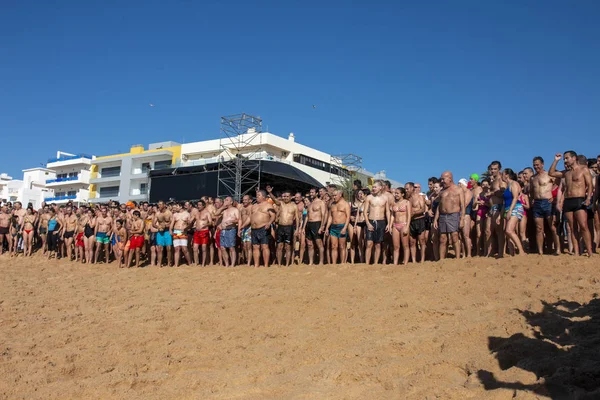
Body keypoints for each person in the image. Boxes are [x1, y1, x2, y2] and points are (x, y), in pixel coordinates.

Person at [549, 151, 594, 256]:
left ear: (574, 158)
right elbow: (551, 173)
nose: (565, 160)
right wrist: (556, 160)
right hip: (568, 201)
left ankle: (590, 251)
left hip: (579, 199)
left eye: (567, 158)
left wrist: (588, 198)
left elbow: (590, 185)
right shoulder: (566, 173)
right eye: (564, 158)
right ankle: (576, 251)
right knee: (572, 227)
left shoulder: (583, 170)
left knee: (583, 226)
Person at [530, 156, 561, 255]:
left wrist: (555, 198)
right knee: (539, 228)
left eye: (537, 165)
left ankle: (558, 249)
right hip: (537, 203)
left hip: (547, 202)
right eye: (534, 165)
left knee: (552, 226)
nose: (536, 167)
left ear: (542, 164)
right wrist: (532, 200)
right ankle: (540, 251)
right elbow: (531, 191)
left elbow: (560, 185)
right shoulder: (533, 178)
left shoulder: (549, 175)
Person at [433, 171, 465, 260]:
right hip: (443, 216)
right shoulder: (442, 191)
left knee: (455, 236)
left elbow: (462, 205)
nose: (442, 181)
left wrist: (462, 219)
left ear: (450, 178)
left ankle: (457, 258)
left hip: (454, 215)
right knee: (442, 238)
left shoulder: (458, 189)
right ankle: (442, 259)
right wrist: (435, 219)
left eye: (443, 179)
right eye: (441, 179)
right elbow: (439, 206)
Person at [267, 188, 300, 267]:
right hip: (281, 227)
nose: (285, 198)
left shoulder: (294, 206)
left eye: (287, 196)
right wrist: (270, 192)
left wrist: (297, 229)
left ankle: (287, 264)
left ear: (291, 197)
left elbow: (297, 218)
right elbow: (274, 199)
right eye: (284, 196)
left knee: (288, 246)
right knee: (279, 246)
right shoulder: (281, 203)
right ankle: (279, 263)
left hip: (289, 227)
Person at [363, 180, 391, 264]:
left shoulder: (385, 198)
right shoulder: (369, 197)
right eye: (373, 187)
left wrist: (389, 224)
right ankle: (367, 263)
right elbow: (365, 212)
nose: (373, 188)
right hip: (371, 221)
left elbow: (387, 212)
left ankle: (375, 263)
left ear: (380, 188)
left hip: (381, 222)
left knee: (378, 244)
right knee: (369, 243)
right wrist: (368, 223)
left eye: (375, 187)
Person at [500, 168, 526, 256]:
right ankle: (512, 253)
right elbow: (505, 202)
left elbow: (515, 197)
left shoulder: (514, 183)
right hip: (508, 208)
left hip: (515, 208)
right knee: (508, 233)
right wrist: (500, 215)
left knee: (509, 230)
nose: (501, 175)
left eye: (503, 174)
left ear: (507, 175)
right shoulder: (507, 185)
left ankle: (521, 251)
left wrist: (510, 210)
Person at [250, 189, 276, 267]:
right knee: (255, 247)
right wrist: (244, 226)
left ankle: (265, 265)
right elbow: (250, 217)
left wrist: (269, 223)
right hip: (254, 229)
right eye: (257, 195)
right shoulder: (254, 206)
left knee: (264, 246)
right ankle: (256, 264)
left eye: (258, 195)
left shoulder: (268, 205)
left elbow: (273, 216)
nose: (257, 197)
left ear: (264, 197)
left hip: (263, 228)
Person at [325, 190, 351, 265]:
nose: (334, 197)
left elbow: (348, 217)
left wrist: (345, 228)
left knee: (342, 246)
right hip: (333, 227)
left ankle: (342, 263)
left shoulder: (345, 204)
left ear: (340, 195)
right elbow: (330, 217)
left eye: (335, 195)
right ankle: (334, 263)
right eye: (333, 195)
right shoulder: (332, 204)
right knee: (333, 246)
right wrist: (327, 227)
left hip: (342, 226)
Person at [406, 182, 427, 263]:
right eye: (405, 189)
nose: (406, 190)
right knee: (412, 242)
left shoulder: (420, 197)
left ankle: (422, 259)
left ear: (412, 188)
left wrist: (413, 213)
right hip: (411, 222)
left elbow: (422, 209)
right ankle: (414, 260)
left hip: (419, 220)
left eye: (407, 189)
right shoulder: (407, 199)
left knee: (422, 240)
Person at [305, 187, 327, 265]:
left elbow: (324, 215)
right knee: (310, 244)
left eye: (312, 192)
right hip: (309, 224)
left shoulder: (321, 202)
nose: (311, 194)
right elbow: (307, 216)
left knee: (319, 244)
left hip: (317, 223)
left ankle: (321, 262)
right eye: (310, 192)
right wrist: (304, 227)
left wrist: (322, 226)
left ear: (316, 193)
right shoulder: (310, 204)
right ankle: (311, 262)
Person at [217, 196, 242, 267]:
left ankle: (233, 264)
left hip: (231, 230)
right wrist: (222, 207)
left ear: (231, 202)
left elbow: (239, 220)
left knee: (231, 247)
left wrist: (232, 222)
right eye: (225, 200)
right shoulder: (224, 210)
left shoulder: (235, 210)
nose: (225, 201)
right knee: (222, 248)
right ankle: (227, 264)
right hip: (223, 230)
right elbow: (216, 214)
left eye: (227, 200)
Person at [390, 187, 411, 265]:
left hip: (404, 224)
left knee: (405, 245)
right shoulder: (394, 203)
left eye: (397, 193)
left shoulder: (407, 202)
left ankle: (405, 263)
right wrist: (390, 225)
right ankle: (395, 263)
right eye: (395, 193)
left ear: (402, 194)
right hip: (395, 225)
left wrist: (407, 226)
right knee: (396, 246)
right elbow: (392, 215)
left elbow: (409, 215)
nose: (396, 195)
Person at [170, 203, 192, 267]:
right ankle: (176, 264)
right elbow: (172, 223)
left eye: (177, 206)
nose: (176, 207)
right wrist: (170, 230)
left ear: (181, 206)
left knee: (184, 249)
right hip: (176, 232)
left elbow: (190, 224)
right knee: (176, 248)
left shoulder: (187, 214)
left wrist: (186, 228)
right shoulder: (175, 215)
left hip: (183, 232)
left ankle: (190, 263)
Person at [192, 200, 213, 266]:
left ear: (203, 205)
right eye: (198, 205)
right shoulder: (197, 213)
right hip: (197, 232)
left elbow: (211, 222)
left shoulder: (207, 213)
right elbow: (192, 221)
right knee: (195, 247)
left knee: (204, 248)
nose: (199, 206)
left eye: (200, 205)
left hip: (204, 231)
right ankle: (196, 262)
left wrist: (206, 225)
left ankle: (203, 263)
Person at [154, 201, 173, 267]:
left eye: (160, 204)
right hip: (160, 232)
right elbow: (153, 223)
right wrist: (158, 226)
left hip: (167, 232)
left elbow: (172, 222)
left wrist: (167, 225)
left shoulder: (169, 213)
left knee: (169, 248)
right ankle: (159, 263)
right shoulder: (157, 213)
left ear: (164, 205)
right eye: (158, 204)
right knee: (160, 248)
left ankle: (169, 262)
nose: (159, 206)